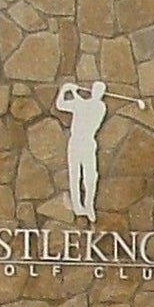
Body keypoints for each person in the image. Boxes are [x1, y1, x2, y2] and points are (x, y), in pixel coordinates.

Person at [53, 79, 109, 221]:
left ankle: (89, 205)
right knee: (75, 174)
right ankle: (78, 206)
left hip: (88, 142)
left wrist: (71, 90)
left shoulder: (100, 107)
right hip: (75, 142)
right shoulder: (82, 104)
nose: (98, 93)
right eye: (96, 89)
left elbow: (85, 107)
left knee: (91, 176)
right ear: (92, 90)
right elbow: (60, 105)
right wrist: (64, 91)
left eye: (100, 91)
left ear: (102, 94)